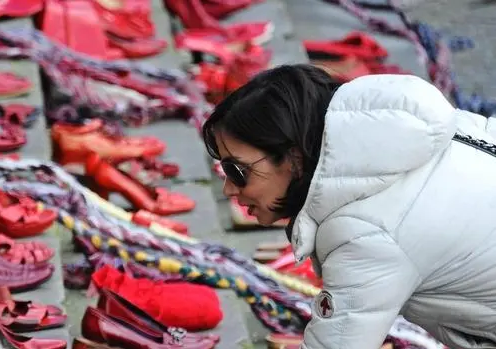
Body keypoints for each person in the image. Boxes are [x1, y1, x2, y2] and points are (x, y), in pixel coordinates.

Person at [202, 64, 496, 349]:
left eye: (237, 171)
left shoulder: (364, 231)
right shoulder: (432, 132)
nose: (229, 188)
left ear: (293, 158)